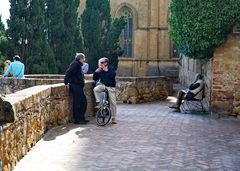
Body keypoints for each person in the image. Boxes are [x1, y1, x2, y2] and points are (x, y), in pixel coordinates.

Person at [64, 53, 88, 124]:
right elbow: (68, 72)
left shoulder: (78, 65)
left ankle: (81, 118)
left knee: (83, 102)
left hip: (78, 86)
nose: (84, 60)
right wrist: (66, 82)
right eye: (83, 58)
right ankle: (77, 119)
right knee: (78, 102)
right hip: (75, 85)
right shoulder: (75, 64)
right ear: (80, 59)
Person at [93, 57, 117, 124]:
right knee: (96, 89)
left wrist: (106, 71)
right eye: (99, 63)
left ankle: (114, 117)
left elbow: (112, 76)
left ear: (106, 63)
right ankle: (99, 102)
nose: (100, 64)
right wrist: (96, 72)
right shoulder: (100, 70)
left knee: (113, 102)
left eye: (101, 63)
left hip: (111, 87)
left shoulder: (111, 69)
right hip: (103, 86)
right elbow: (95, 78)